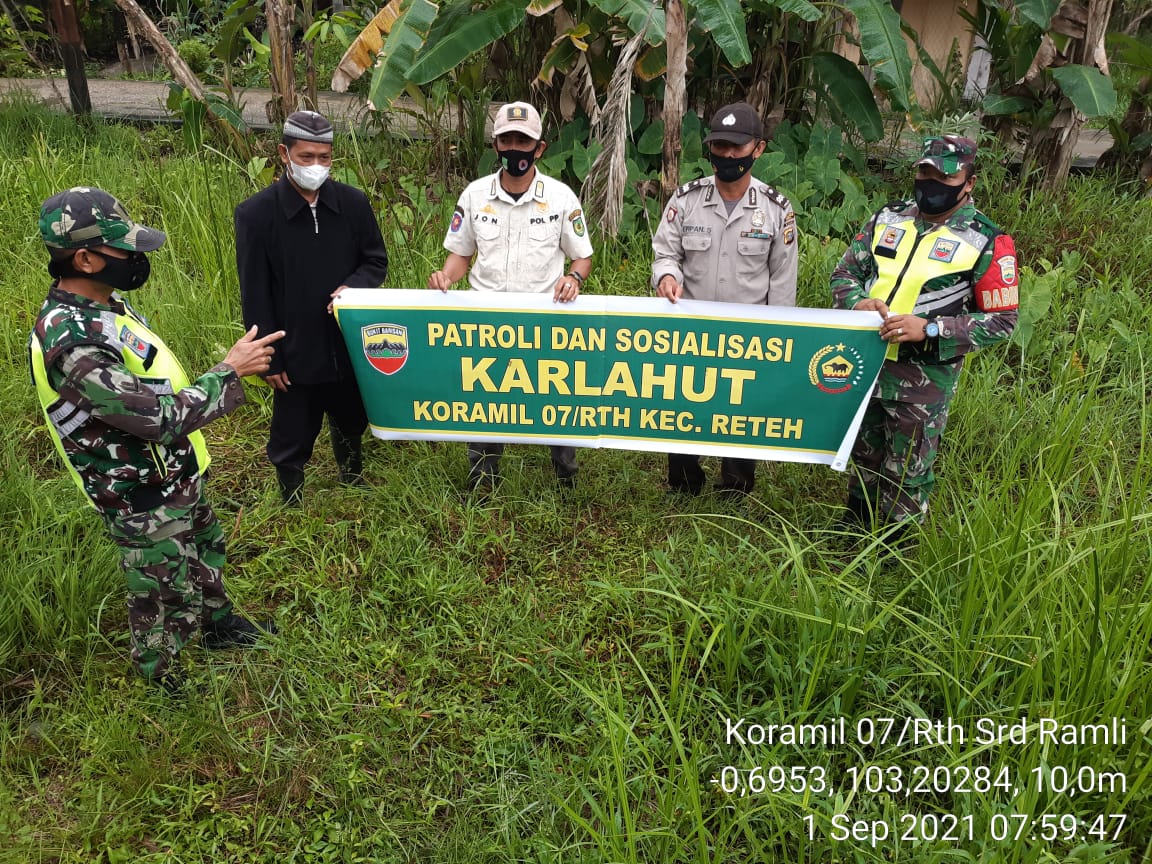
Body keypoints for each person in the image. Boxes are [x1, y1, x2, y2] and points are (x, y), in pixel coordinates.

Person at [28, 187, 285, 691]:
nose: (136, 257)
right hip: (138, 491)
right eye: (124, 249)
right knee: (159, 588)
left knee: (203, 552)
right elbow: (158, 418)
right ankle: (162, 675)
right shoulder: (72, 342)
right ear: (85, 257)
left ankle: (218, 625)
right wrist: (230, 371)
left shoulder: (103, 307)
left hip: (172, 471)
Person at [831, 135, 1018, 529]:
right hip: (867, 361)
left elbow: (1002, 321)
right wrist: (856, 303)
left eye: (945, 177)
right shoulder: (888, 219)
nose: (931, 183)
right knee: (863, 454)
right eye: (924, 172)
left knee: (908, 468)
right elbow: (845, 273)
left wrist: (929, 328)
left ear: (969, 182)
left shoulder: (986, 240)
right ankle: (852, 533)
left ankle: (894, 556)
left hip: (923, 377)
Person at [428, 101, 593, 493]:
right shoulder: (474, 195)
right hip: (486, 319)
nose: (514, 148)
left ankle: (564, 474)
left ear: (540, 148)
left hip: (546, 321)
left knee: (557, 397)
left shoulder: (560, 197)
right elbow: (461, 254)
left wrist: (573, 278)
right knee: (485, 396)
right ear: (496, 144)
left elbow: (582, 255)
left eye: (524, 141)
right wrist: (445, 277)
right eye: (507, 140)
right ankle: (483, 475)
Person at [235, 110, 389, 504]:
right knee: (293, 424)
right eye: (306, 157)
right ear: (284, 154)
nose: (316, 166)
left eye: (324, 157)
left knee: (350, 413)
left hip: (345, 338)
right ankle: (291, 495)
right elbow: (254, 291)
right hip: (293, 339)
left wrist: (351, 287)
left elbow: (375, 260)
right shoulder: (256, 214)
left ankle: (352, 475)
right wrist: (269, 357)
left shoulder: (352, 204)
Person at [651, 101, 798, 496]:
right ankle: (684, 483)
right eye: (719, 147)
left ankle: (735, 486)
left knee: (740, 411)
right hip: (689, 332)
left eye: (736, 148)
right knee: (682, 407)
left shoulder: (775, 210)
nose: (728, 156)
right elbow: (666, 252)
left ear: (758, 149)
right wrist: (666, 276)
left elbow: (782, 278)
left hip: (747, 334)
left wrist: (779, 337)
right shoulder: (686, 200)